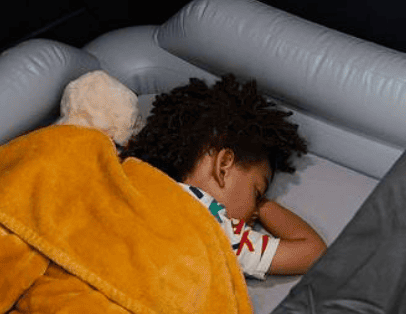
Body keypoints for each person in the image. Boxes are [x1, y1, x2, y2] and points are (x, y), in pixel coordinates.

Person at [121, 73, 327, 277]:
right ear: (224, 166)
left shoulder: (126, 174)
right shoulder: (215, 228)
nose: (254, 214)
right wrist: (266, 206)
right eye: (256, 192)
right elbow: (313, 252)